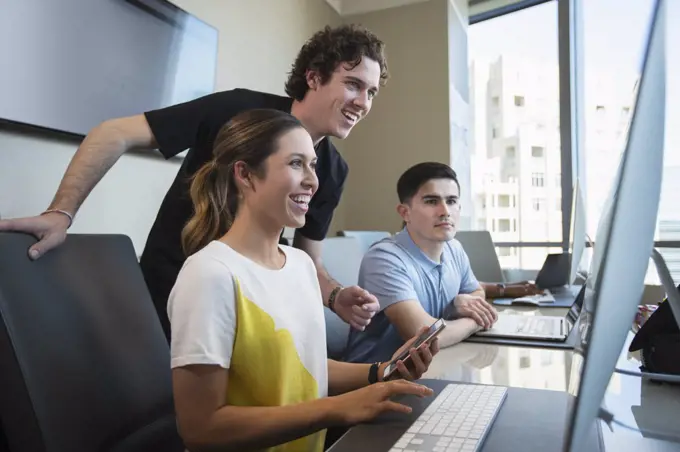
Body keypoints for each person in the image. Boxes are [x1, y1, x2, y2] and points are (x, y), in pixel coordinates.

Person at [0, 24, 386, 339]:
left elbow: (307, 260)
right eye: (353, 84)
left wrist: (334, 296)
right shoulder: (235, 110)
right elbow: (113, 133)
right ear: (314, 77)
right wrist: (61, 212)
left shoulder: (332, 173)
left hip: (244, 307)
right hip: (165, 296)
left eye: (371, 92)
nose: (363, 102)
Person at [168, 108, 438, 452]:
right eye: (296, 164)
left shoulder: (300, 264)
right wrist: (337, 409)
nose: (313, 180)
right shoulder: (209, 275)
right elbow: (200, 427)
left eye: (313, 165)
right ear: (246, 175)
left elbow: (302, 364)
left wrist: (383, 372)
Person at [344, 162, 499, 364]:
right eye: (431, 201)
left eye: (451, 201)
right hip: (376, 382)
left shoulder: (454, 248)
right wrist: (475, 322)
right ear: (405, 212)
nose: (445, 211)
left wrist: (458, 303)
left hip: (436, 367)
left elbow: (477, 293)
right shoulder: (384, 258)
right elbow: (423, 337)